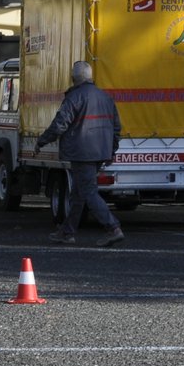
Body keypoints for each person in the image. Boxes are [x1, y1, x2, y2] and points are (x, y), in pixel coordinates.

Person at [35, 59, 124, 246]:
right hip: (100, 152)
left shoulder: (74, 97)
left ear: (73, 78)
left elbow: (60, 124)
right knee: (78, 193)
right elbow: (116, 128)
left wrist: (41, 141)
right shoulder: (105, 97)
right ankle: (67, 232)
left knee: (88, 192)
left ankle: (112, 227)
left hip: (82, 152)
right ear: (91, 77)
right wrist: (111, 150)